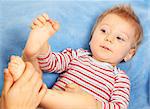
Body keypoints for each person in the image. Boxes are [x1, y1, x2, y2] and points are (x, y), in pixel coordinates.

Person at [6, 4, 143, 109]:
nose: (109, 39)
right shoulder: (77, 55)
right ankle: (37, 50)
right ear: (91, 38)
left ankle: (32, 88)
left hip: (82, 106)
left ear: (129, 54)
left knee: (85, 103)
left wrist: (93, 103)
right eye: (103, 31)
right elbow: (50, 64)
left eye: (119, 38)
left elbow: (119, 107)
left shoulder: (120, 78)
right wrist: (44, 53)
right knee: (37, 67)